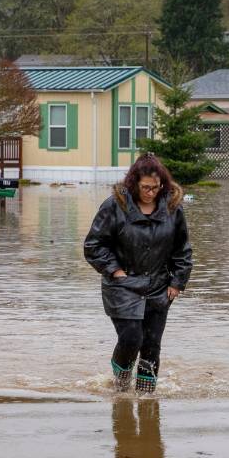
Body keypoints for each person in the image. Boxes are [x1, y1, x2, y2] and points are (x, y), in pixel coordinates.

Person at [84, 153, 192, 393]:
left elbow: (182, 249)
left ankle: (146, 397)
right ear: (134, 184)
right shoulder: (114, 206)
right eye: (145, 187)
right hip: (122, 285)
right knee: (132, 339)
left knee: (152, 346)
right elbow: (93, 245)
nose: (151, 193)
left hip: (159, 286)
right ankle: (121, 385)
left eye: (156, 187)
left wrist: (177, 282)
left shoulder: (173, 208)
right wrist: (115, 270)